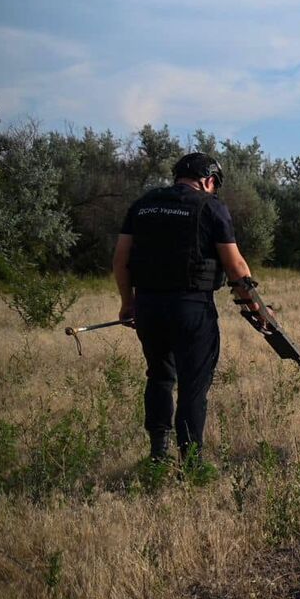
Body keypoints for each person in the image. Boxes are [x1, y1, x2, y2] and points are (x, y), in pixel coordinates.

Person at [112, 153, 259, 463]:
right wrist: (256, 307)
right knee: (193, 386)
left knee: (160, 377)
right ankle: (191, 463)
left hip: (148, 307)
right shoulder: (210, 206)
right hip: (191, 308)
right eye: (214, 184)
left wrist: (128, 303)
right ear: (208, 180)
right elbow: (235, 266)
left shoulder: (143, 205)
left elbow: (120, 259)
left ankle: (159, 453)